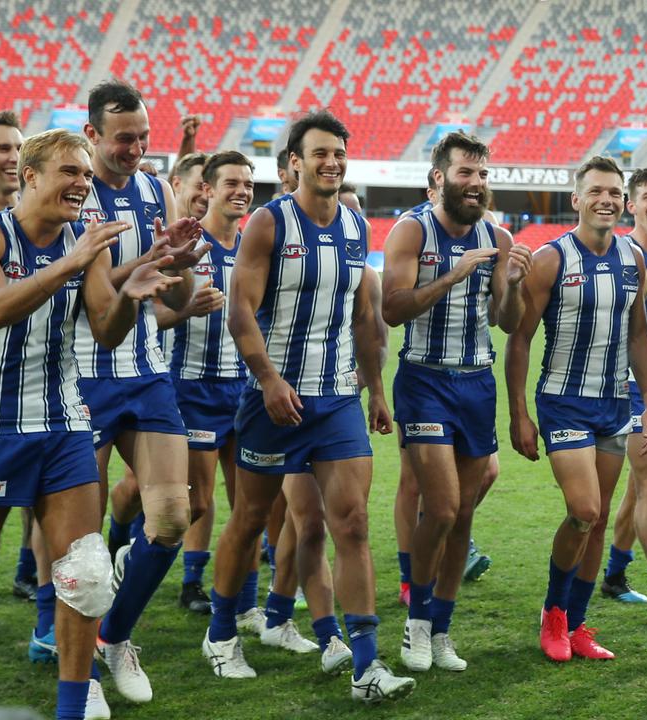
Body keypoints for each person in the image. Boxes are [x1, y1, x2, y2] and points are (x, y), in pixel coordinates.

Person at [202, 110, 414, 702]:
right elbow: (240, 310)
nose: (331, 162)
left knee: (351, 523)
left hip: (336, 401)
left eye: (338, 153)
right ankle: (222, 636)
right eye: (319, 153)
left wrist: (374, 389)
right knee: (249, 522)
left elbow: (364, 318)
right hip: (273, 404)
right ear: (294, 162)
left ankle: (366, 667)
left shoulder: (354, 226)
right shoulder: (268, 224)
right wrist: (267, 380)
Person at [0, 127, 183, 720]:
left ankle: (73, 707)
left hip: (63, 422)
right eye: (68, 173)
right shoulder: (0, 234)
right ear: (30, 176)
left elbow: (105, 328)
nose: (82, 184)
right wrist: (69, 265)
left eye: (85, 174)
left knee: (86, 573)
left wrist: (132, 292)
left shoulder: (86, 239)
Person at [78, 80, 208, 706]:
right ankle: (73, 666)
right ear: (92, 136)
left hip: (147, 371)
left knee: (173, 518)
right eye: (124, 138)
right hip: (78, 375)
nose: (136, 149)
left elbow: (175, 297)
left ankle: (113, 638)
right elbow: (92, 298)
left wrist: (180, 265)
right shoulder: (74, 195)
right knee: (80, 543)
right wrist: (152, 257)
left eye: (144, 138)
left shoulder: (158, 189)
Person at [382, 130, 531, 673]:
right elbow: (392, 310)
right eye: (466, 173)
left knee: (463, 513)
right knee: (440, 506)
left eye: (483, 174)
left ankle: (441, 629)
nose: (476, 184)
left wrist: (511, 284)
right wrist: (455, 273)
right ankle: (416, 622)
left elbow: (507, 322)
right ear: (438, 179)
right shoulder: (410, 231)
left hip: (477, 382)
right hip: (424, 380)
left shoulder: (499, 236)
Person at [507, 155, 647, 662]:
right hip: (563, 404)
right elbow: (521, 338)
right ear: (577, 200)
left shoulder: (632, 258)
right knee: (585, 511)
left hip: (614, 405)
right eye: (596, 191)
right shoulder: (553, 259)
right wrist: (519, 414)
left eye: (614, 192)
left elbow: (638, 332)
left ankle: (577, 624)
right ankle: (554, 613)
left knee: (594, 525)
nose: (606, 200)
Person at [158, 152, 253, 620]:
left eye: (247, 184)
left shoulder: (257, 244)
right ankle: (187, 579)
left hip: (245, 388)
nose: (240, 192)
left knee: (249, 502)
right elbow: (149, 315)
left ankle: (245, 598)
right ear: (208, 190)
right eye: (230, 183)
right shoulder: (188, 245)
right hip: (193, 386)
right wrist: (186, 309)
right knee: (196, 499)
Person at [601, 168, 647, 614]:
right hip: (630, 386)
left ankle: (613, 573)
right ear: (632, 205)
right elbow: (623, 319)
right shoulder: (621, 254)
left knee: (638, 486)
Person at [0, 109, 40, 603]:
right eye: (2, 149)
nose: (12, 158)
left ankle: (28, 570)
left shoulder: (32, 222)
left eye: (17, 147)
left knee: (40, 494)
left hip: (33, 386)